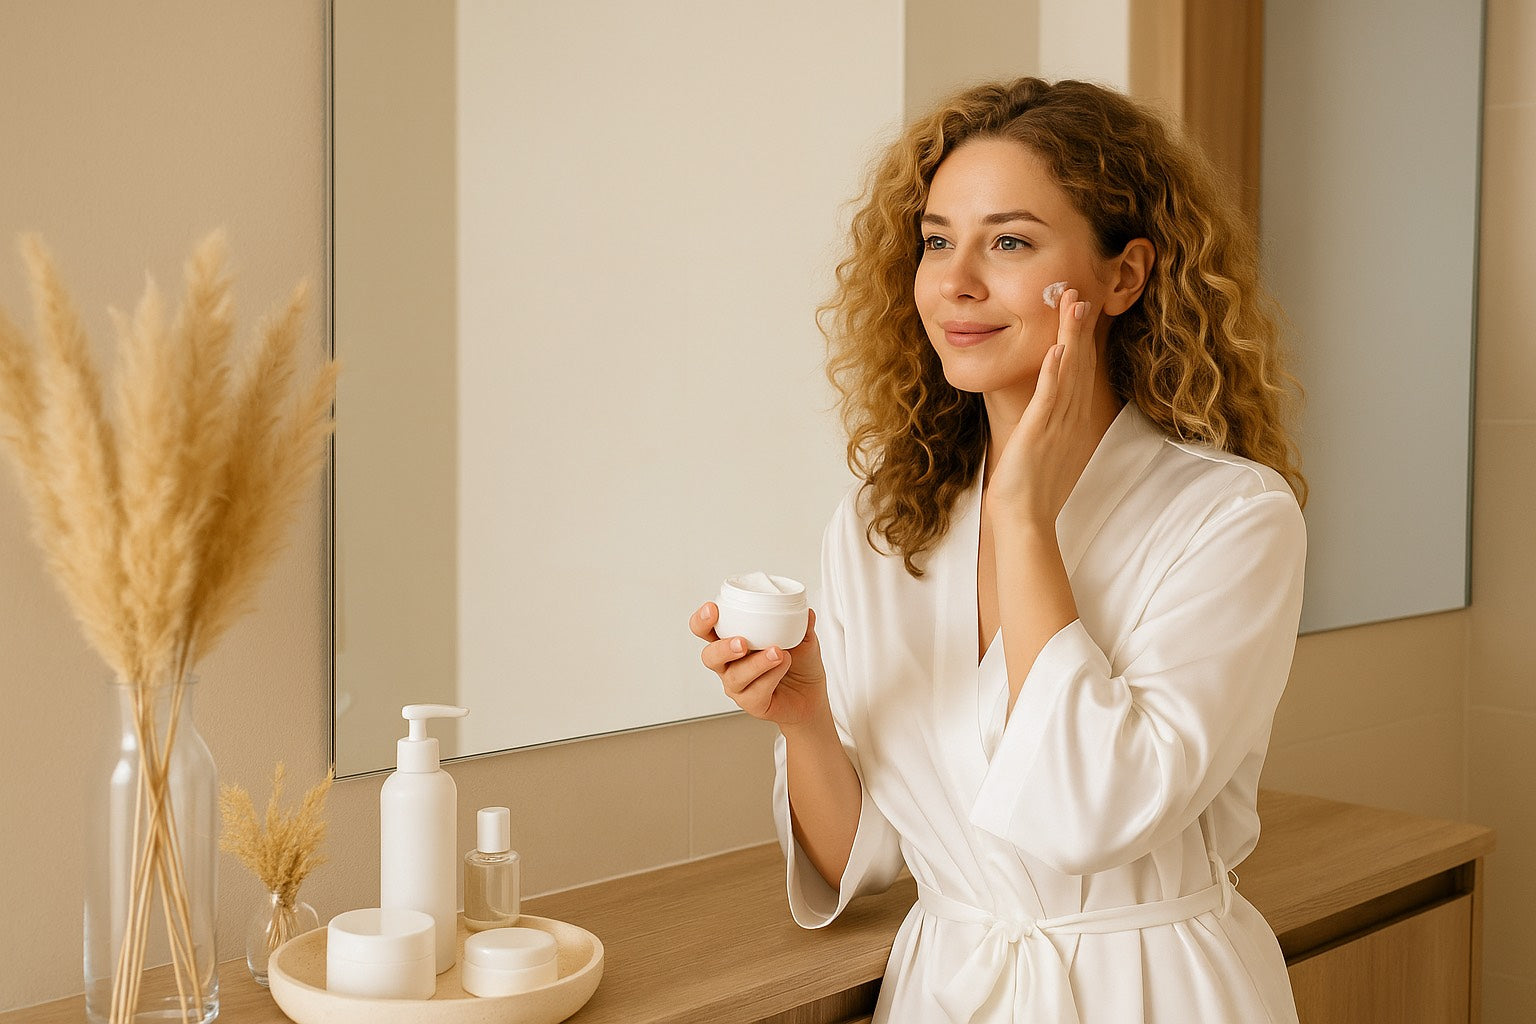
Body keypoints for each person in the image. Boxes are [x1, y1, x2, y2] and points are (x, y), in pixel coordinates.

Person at [689, 77, 1307, 1024]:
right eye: (937, 240)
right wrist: (807, 720)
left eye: (1008, 241)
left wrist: (1021, 521)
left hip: (1153, 993)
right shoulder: (884, 525)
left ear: (1123, 276)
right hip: (950, 988)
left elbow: (1091, 814)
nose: (954, 282)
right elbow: (862, 866)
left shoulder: (1228, 518)